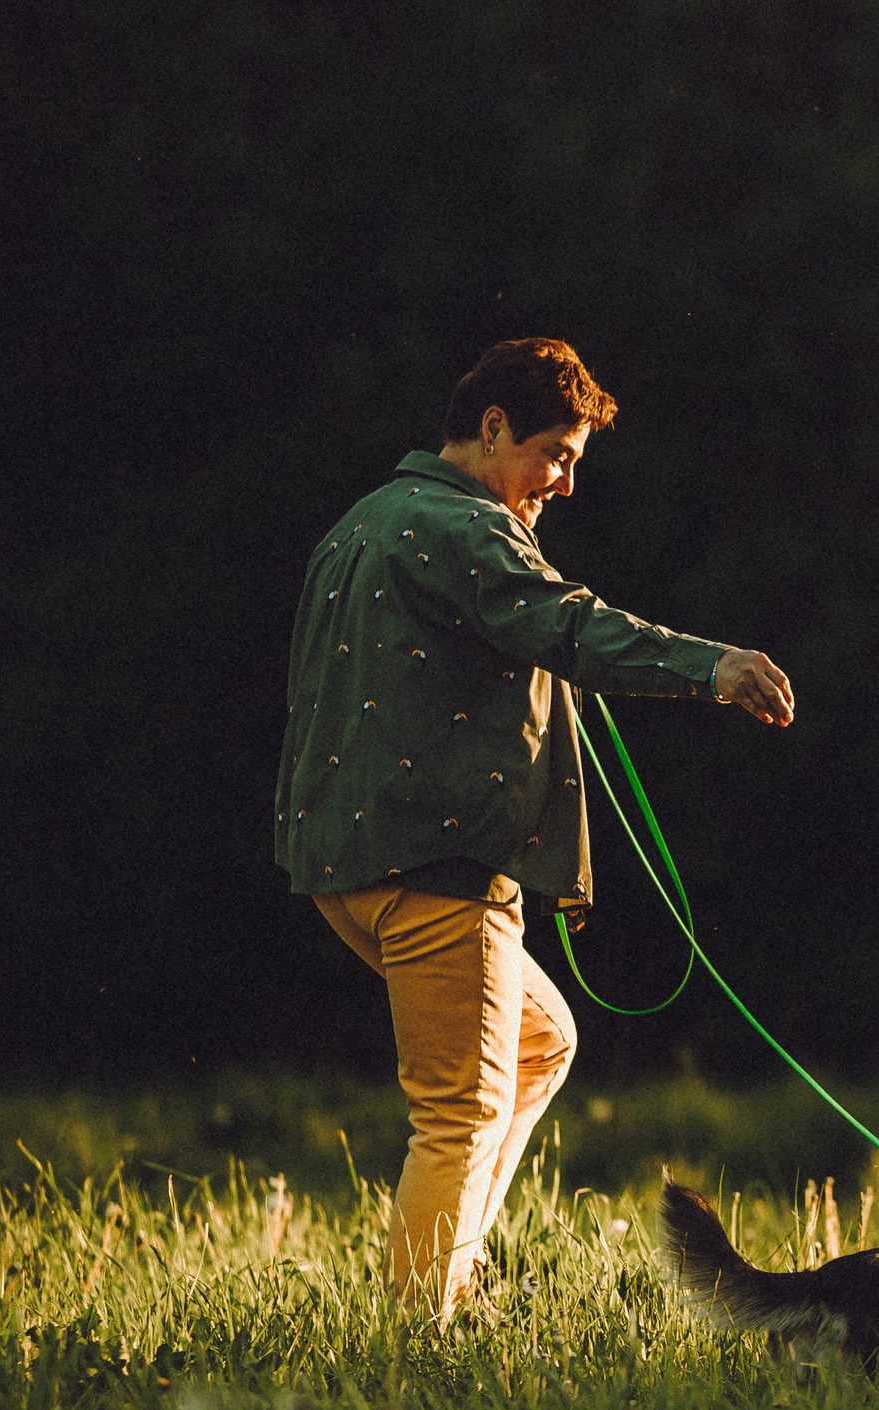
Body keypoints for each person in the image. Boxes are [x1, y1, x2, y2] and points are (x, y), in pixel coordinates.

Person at [274, 338, 794, 1319]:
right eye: (556, 454)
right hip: (435, 861)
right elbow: (568, 622)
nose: (562, 482)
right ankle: (417, 1329)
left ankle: (452, 1272)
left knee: (540, 1039)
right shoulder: (465, 527)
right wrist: (710, 666)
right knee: (458, 1107)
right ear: (493, 427)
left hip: (345, 860)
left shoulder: (364, 521)